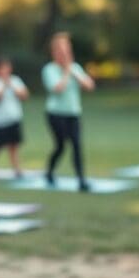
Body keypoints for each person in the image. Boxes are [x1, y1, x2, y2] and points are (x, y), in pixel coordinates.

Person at [42, 32, 95, 191]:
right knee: (61, 146)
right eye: (61, 50)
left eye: (67, 49)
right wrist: (66, 72)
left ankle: (81, 180)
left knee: (77, 146)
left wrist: (73, 72)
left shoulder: (75, 68)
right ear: (55, 52)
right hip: (55, 115)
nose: (65, 53)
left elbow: (89, 86)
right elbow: (57, 89)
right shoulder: (49, 69)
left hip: (73, 114)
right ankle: (49, 172)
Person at [0, 58, 29, 177]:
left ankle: (17, 168)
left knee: (14, 145)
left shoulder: (15, 80)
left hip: (14, 118)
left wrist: (12, 86)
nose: (5, 70)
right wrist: (4, 85)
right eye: (2, 68)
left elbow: (24, 95)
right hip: (0, 121)